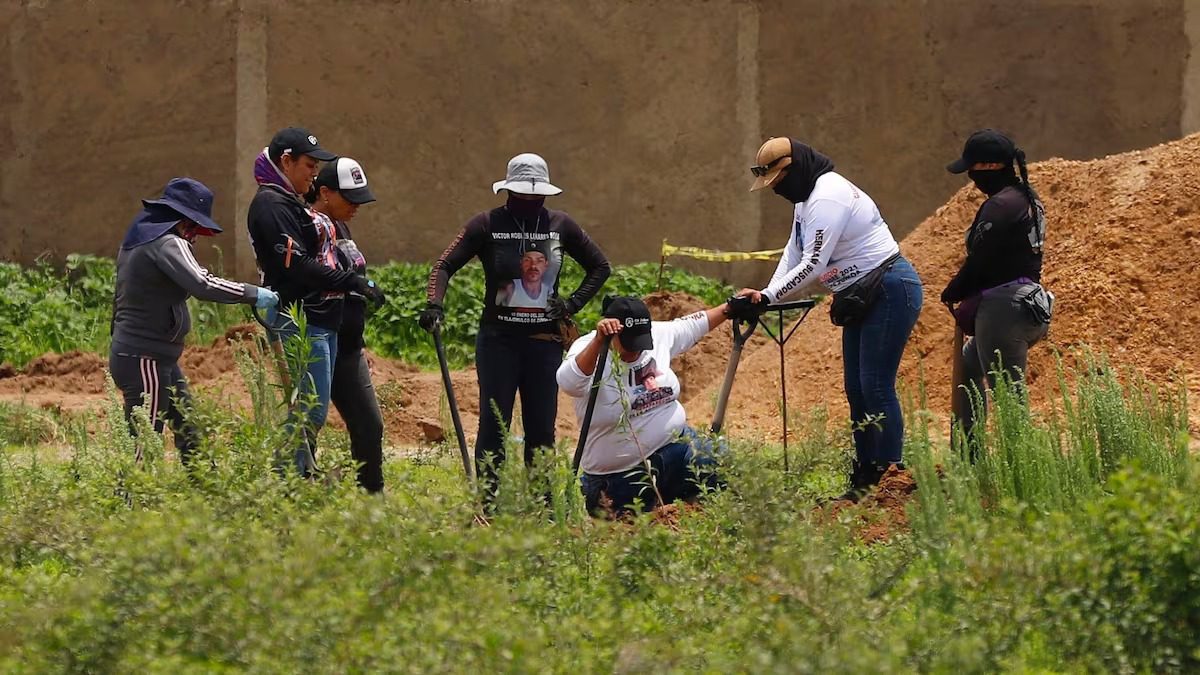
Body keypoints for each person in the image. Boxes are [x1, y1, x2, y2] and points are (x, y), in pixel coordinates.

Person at [740, 137, 924, 501]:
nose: (777, 190)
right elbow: (792, 254)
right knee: (857, 390)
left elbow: (813, 264)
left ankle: (891, 480)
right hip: (858, 295)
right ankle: (866, 480)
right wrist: (765, 294)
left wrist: (769, 297)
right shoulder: (805, 199)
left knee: (875, 386)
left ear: (797, 167)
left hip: (887, 288)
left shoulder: (826, 196)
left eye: (779, 181)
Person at [421, 153, 611, 502]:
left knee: (542, 430)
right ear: (508, 191)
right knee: (494, 426)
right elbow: (444, 265)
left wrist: (570, 305)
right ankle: (489, 505)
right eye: (521, 195)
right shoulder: (486, 224)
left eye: (535, 196)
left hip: (544, 343)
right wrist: (435, 304)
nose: (528, 202)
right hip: (498, 343)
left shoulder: (561, 224)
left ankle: (542, 505)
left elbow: (600, 267)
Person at [110, 177, 279, 464]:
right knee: (145, 445)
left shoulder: (145, 237)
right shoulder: (166, 243)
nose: (194, 236)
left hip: (155, 357)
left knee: (189, 429)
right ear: (178, 219)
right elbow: (203, 284)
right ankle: (130, 505)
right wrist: (253, 294)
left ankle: (207, 498)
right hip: (143, 357)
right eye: (192, 227)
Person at [247, 127, 384, 477]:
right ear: (286, 161)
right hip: (300, 319)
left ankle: (302, 479)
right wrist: (353, 282)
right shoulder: (270, 204)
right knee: (309, 410)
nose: (313, 171)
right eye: (309, 164)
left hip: (327, 326)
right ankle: (288, 482)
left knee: (315, 411)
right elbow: (298, 265)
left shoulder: (290, 203)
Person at [558, 296, 729, 515]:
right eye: (629, 344)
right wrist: (598, 342)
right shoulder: (588, 348)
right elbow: (568, 382)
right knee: (633, 526)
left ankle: (685, 509)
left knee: (716, 457)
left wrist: (729, 307)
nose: (635, 351)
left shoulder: (656, 334)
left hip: (674, 450)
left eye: (640, 343)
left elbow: (692, 325)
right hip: (619, 477)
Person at [941, 129, 1052, 449]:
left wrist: (955, 289)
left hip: (1004, 310)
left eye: (973, 170)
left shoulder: (1000, 205)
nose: (971, 179)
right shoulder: (1026, 197)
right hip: (1028, 302)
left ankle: (1021, 471)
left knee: (1007, 395)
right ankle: (968, 456)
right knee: (969, 366)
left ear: (989, 168)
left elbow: (981, 259)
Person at [305, 156, 387, 493]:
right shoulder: (306, 226)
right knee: (308, 422)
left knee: (369, 425)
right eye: (349, 198)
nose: (356, 206)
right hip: (318, 339)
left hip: (349, 347)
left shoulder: (341, 226)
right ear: (325, 192)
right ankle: (299, 495)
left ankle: (372, 499)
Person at [497, 242, 551, 308]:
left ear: (546, 264)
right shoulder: (509, 289)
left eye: (539, 261)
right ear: (521, 263)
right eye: (527, 260)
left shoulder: (549, 292)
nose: (533, 265)